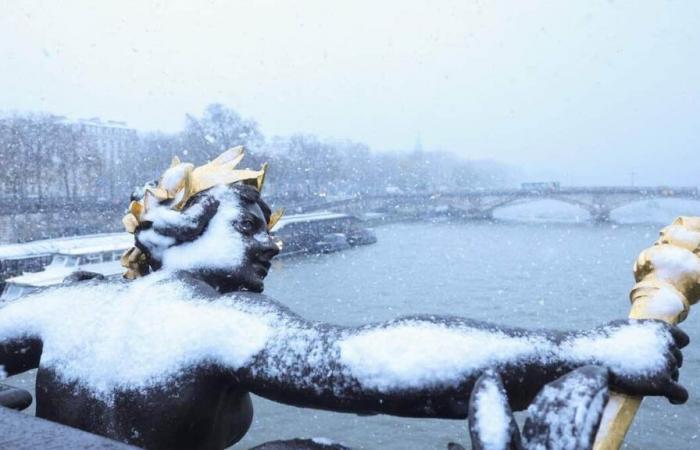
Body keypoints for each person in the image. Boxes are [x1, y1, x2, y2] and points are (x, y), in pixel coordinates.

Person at [0, 148, 689, 450]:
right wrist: (583, 350)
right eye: (249, 226)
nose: (271, 245)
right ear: (169, 230)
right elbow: (364, 364)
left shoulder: (62, 304)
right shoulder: (209, 319)